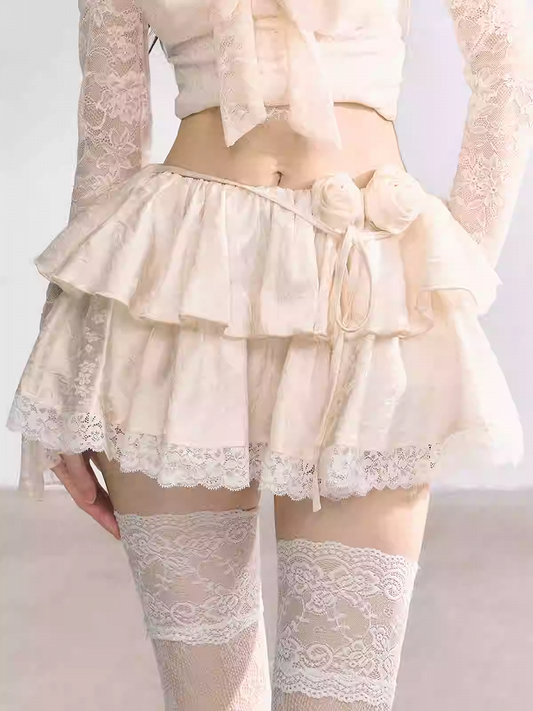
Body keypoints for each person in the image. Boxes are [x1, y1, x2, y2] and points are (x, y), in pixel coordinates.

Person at [7, 0, 532, 709]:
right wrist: (66, 378)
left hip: (359, 285)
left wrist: (449, 276)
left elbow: (509, 67)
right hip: (177, 298)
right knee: (205, 698)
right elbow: (108, 141)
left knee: (340, 696)